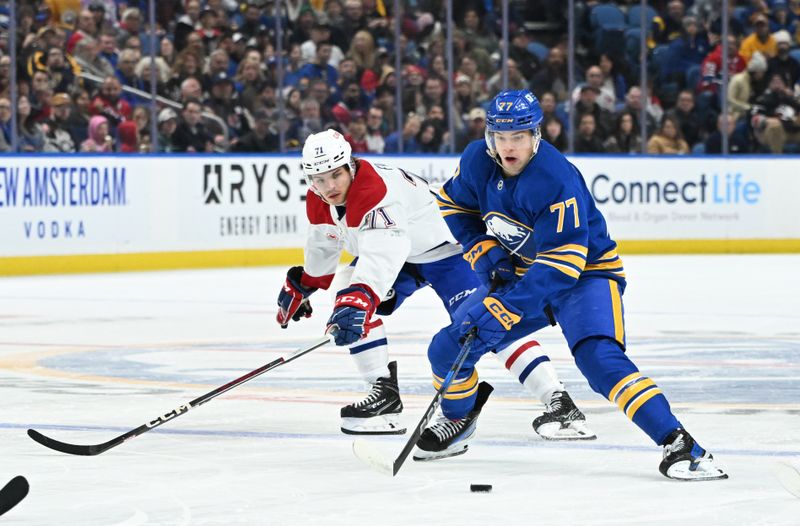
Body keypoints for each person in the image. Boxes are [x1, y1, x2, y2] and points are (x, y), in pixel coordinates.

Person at [430, 89, 728, 481]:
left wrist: (504, 308)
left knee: (597, 359)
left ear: (536, 135)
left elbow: (563, 264)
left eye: (517, 136)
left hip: (587, 276)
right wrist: (485, 252)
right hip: (526, 274)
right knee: (449, 345)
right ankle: (458, 419)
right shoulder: (476, 160)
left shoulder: (554, 177)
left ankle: (680, 444)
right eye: (500, 137)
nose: (507, 147)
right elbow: (454, 206)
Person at [275, 129, 595, 442]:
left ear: (350, 165)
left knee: (485, 322)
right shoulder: (319, 200)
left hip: (451, 252)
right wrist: (307, 283)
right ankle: (383, 394)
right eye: (319, 179)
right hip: (406, 255)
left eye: (335, 175)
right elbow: (324, 242)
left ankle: (558, 401)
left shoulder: (374, 189)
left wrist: (360, 297)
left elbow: (386, 248)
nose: (329, 186)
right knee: (349, 301)